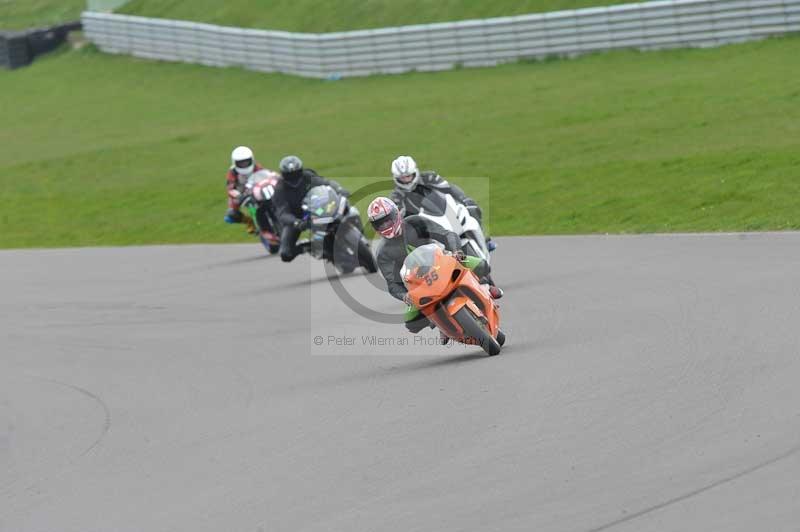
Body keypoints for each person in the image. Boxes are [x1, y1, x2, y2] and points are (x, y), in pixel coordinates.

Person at [368, 196, 502, 336]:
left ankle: (485, 288)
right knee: (412, 324)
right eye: (380, 224)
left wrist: (457, 251)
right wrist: (404, 295)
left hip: (443, 263)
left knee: (481, 265)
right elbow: (392, 283)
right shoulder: (383, 253)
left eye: (387, 221)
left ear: (395, 215)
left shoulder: (416, 222)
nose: (385, 226)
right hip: (418, 286)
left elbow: (447, 234)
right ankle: (440, 324)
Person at [389, 155, 496, 251]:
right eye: (402, 178)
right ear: (396, 178)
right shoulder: (396, 196)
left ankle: (485, 240)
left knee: (472, 208)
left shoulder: (429, 177)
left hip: (443, 212)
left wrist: (464, 198)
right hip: (424, 226)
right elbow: (397, 216)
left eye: (408, 176)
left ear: (415, 172)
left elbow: (450, 188)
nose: (406, 180)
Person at [271, 155, 348, 262]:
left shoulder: (307, 175)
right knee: (286, 254)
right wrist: (296, 222)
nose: (293, 177)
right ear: (283, 175)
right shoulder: (280, 189)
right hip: (299, 218)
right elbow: (282, 213)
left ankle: (353, 229)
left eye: (296, 173)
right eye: (289, 175)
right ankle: (310, 247)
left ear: (300, 171)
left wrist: (339, 189)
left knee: (344, 205)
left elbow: (326, 183)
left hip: (317, 209)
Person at [224, 146, 268, 230]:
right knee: (231, 215)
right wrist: (238, 195)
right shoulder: (232, 171)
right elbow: (230, 188)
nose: (244, 165)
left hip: (256, 189)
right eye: (241, 163)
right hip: (240, 192)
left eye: (246, 162)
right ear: (234, 163)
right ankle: (249, 221)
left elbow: (266, 177)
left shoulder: (257, 168)